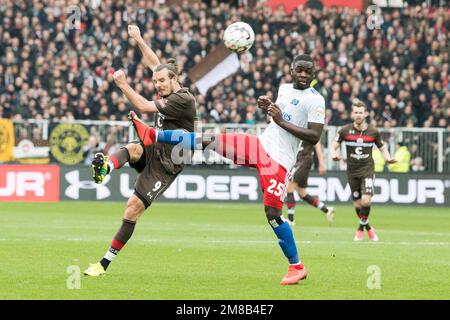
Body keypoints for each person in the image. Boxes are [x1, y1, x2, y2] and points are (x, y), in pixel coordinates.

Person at [128, 54, 326, 285]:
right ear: (292, 69)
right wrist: (270, 108)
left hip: (278, 162)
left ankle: (296, 266)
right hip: (259, 145)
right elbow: (279, 120)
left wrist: (280, 120)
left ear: (314, 75)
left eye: (308, 71)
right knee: (209, 139)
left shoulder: (316, 100)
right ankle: (153, 135)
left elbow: (314, 136)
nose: (303, 74)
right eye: (299, 70)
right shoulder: (283, 89)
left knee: (273, 214)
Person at [84, 25, 197, 276]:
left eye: (161, 81)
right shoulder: (169, 82)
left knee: (132, 209)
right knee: (133, 148)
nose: (157, 84)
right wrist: (138, 39)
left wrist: (123, 85)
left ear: (174, 79)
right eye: (155, 81)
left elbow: (145, 106)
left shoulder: (183, 99)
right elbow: (155, 63)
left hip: (168, 162)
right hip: (154, 147)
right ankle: (105, 168)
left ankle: (103, 264)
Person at [330, 99, 396, 241]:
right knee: (357, 204)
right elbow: (334, 145)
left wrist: (388, 158)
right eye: (356, 112)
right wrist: (334, 154)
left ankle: (360, 229)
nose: (358, 115)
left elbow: (382, 147)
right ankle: (368, 227)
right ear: (352, 114)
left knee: (366, 201)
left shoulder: (373, 131)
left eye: (361, 112)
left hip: (367, 170)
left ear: (365, 114)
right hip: (352, 171)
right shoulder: (345, 130)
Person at [285, 141, 335, 226]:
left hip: (304, 161)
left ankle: (290, 219)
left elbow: (317, 145)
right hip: (299, 161)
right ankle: (326, 209)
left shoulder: (310, 129)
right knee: (302, 193)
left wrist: (321, 164)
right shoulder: (298, 130)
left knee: (289, 187)